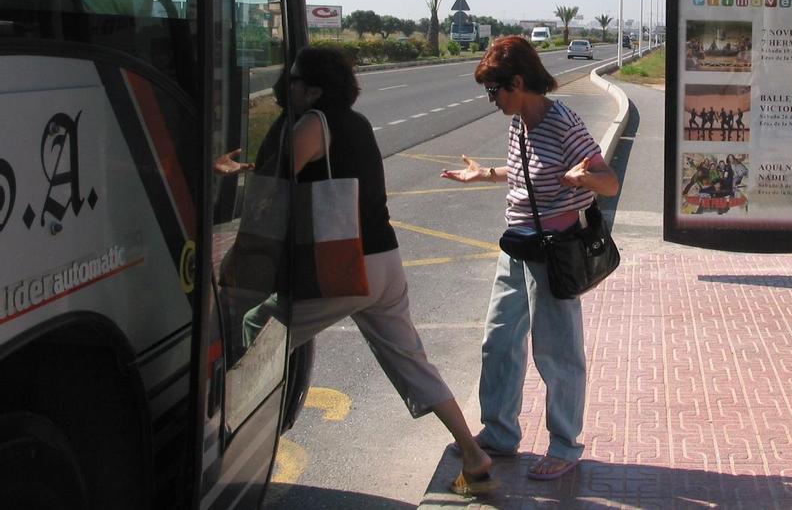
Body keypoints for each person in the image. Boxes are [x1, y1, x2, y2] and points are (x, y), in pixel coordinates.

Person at [236, 46, 495, 497]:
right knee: (412, 361)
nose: (286, 86)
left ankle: (232, 443)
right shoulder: (355, 122)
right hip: (386, 261)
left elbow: (277, 182)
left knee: (257, 327)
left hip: (343, 266)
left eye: (294, 80)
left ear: (314, 89)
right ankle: (473, 455)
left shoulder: (314, 123)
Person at [440, 35, 619, 480]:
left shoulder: (561, 122)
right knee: (498, 341)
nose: (491, 99)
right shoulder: (519, 122)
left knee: (558, 353)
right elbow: (526, 173)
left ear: (518, 82)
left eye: (494, 90)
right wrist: (486, 174)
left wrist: (585, 178)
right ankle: (500, 432)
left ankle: (565, 444)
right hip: (516, 248)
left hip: (551, 254)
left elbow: (608, 181)